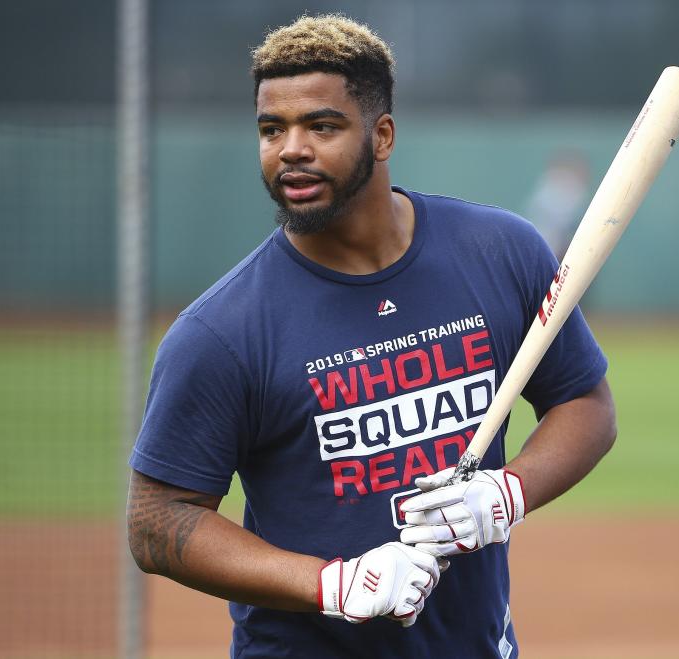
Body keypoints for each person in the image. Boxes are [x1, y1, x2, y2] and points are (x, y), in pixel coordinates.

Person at [127, 14, 617, 658]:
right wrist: (334, 584)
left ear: (381, 135)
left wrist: (506, 494)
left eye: (321, 126)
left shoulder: (502, 252)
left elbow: (585, 404)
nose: (291, 149)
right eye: (272, 129)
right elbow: (158, 523)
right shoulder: (220, 331)